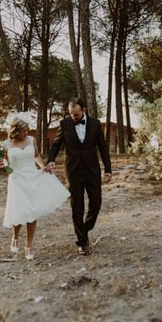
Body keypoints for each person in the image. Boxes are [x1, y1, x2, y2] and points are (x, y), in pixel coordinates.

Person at [0, 114, 70, 260]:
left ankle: (29, 246)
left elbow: (36, 156)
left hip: (32, 177)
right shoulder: (6, 144)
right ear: (16, 129)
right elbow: (4, 163)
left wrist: (43, 167)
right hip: (17, 179)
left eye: (28, 130)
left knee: (32, 211)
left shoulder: (31, 140)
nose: (27, 133)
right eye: (24, 130)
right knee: (19, 211)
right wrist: (1, 165)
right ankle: (15, 236)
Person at [46, 98, 112, 255]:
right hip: (73, 170)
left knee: (96, 204)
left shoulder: (96, 124)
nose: (73, 117)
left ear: (84, 110)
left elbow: (103, 147)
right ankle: (82, 242)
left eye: (76, 114)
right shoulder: (64, 124)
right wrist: (51, 160)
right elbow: (56, 144)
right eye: (71, 114)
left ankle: (84, 229)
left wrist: (108, 169)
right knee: (77, 206)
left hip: (92, 170)